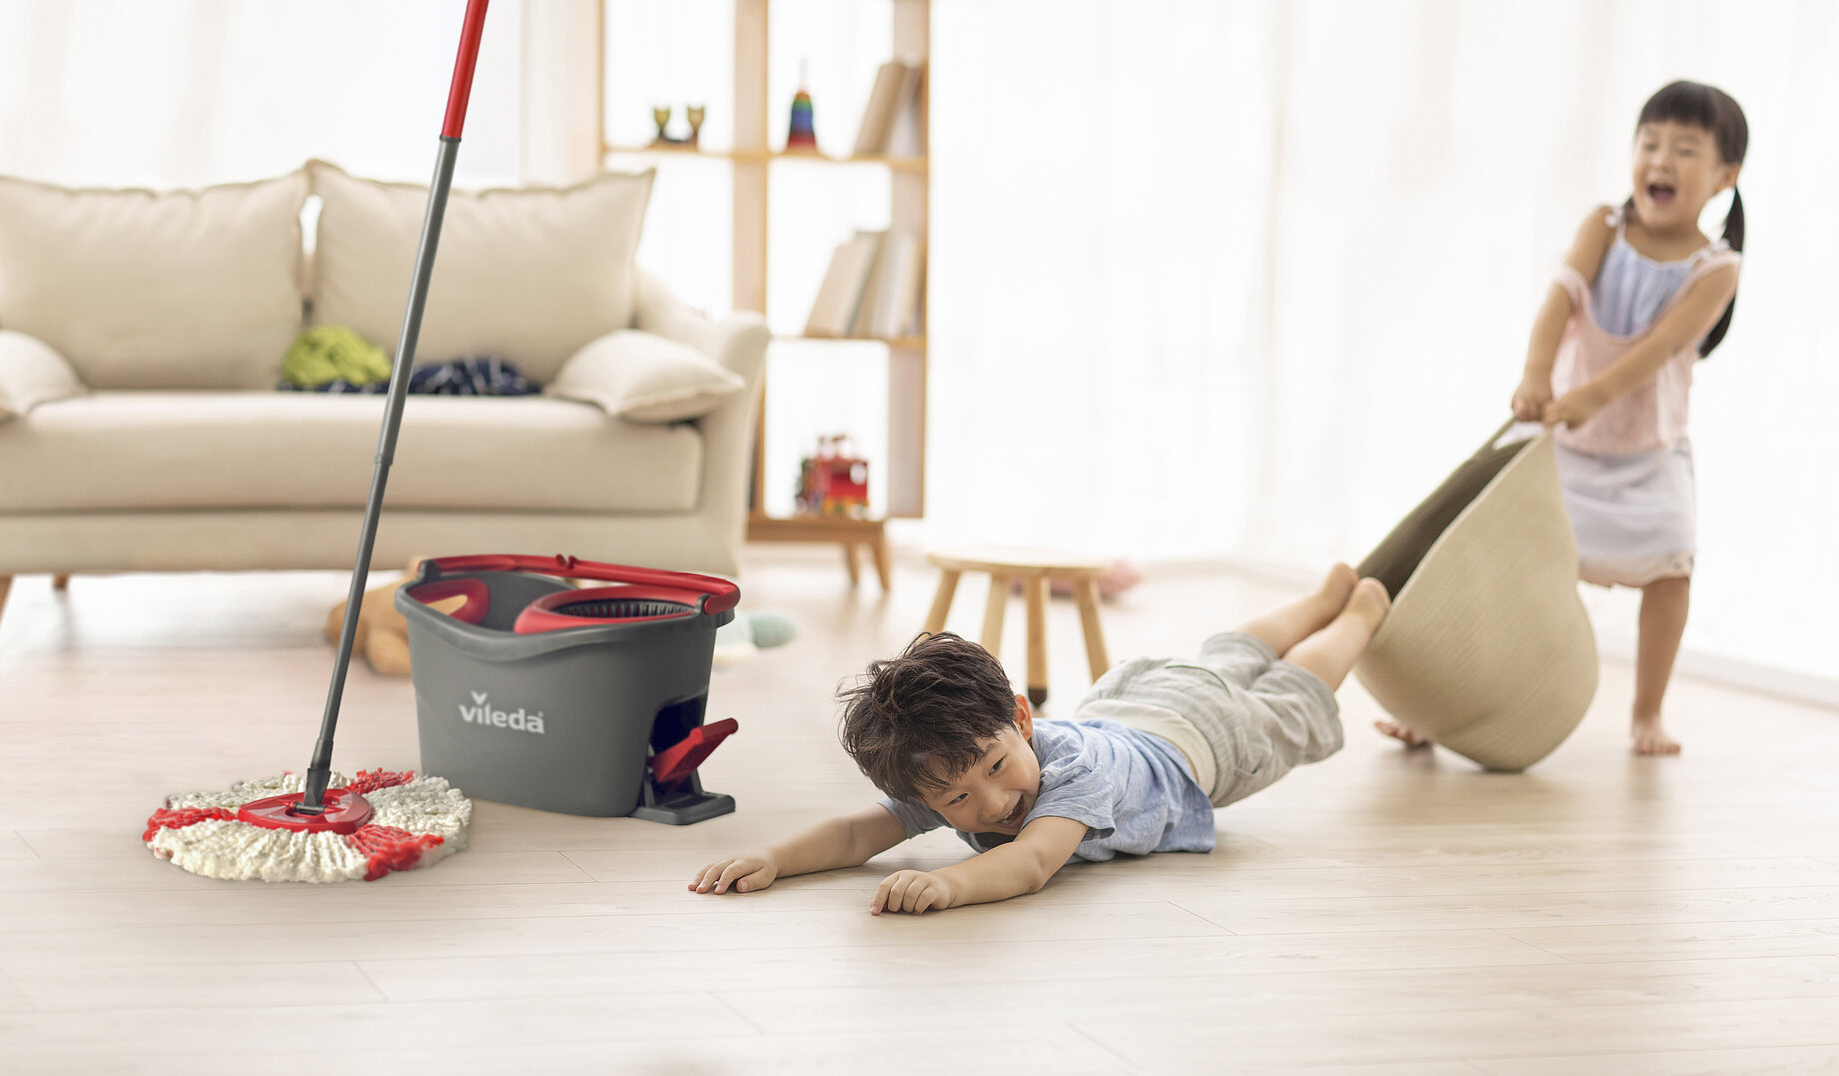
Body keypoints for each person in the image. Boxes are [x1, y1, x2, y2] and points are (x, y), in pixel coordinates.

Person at [1378, 81, 1746, 756]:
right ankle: (1435, 707)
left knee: (1670, 570)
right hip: (1563, 448)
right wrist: (1537, 374)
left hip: (1646, 452)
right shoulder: (1604, 225)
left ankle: (1647, 713)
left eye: (1685, 150)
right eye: (1650, 143)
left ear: (1726, 175)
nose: (1660, 160)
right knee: (1489, 563)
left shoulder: (1717, 267)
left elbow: (1663, 345)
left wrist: (1593, 396)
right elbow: (1560, 300)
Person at [690, 566, 1389, 914]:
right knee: (1224, 658)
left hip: (1205, 745)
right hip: (1134, 703)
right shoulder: (947, 764)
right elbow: (853, 836)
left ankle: (1355, 613)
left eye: (998, 766)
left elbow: (1028, 866)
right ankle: (1318, 600)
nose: (995, 803)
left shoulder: (1070, 775)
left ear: (1023, 718)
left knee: (1291, 694)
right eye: (957, 798)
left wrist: (946, 882)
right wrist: (772, 859)